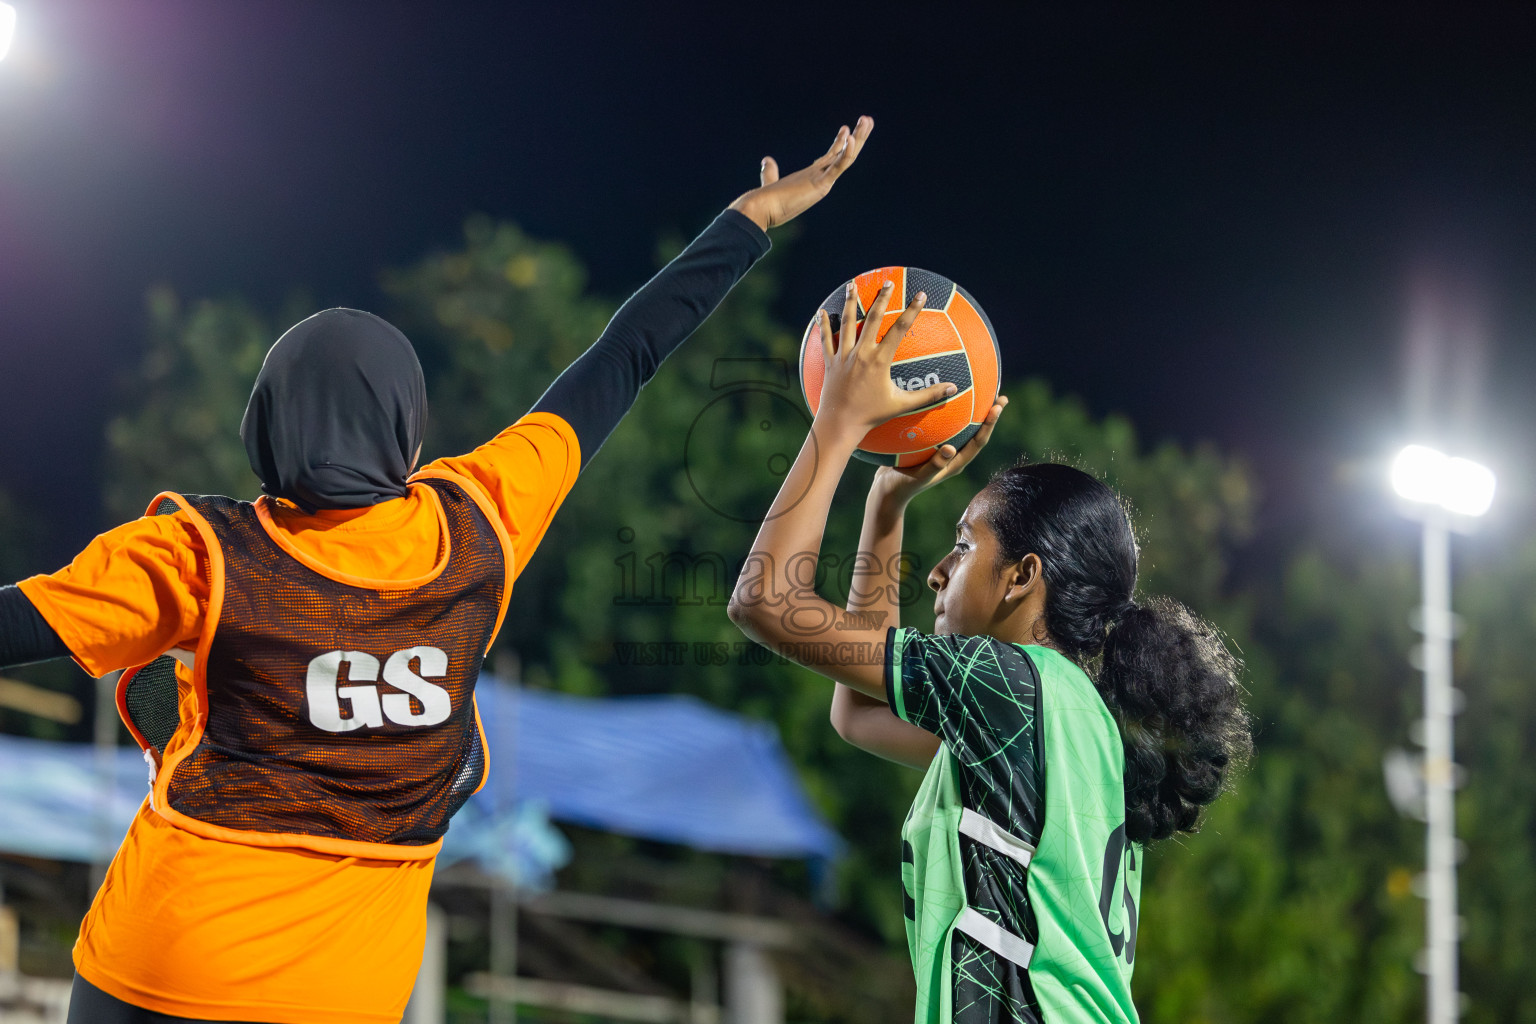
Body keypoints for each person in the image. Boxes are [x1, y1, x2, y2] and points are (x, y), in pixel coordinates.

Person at [0, 115, 875, 1024]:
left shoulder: (199, 556)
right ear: (406, 429)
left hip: (161, 966)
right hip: (346, 997)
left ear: (262, 428)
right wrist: (747, 222)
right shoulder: (481, 523)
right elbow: (623, 359)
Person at [727, 281, 1252, 1023]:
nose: (939, 572)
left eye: (965, 544)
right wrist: (885, 507)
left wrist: (837, 427)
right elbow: (860, 715)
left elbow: (764, 603)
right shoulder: (1071, 716)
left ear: (1022, 578)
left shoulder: (1010, 688)